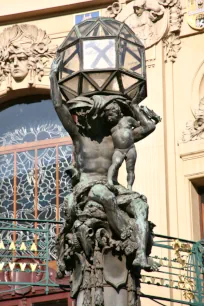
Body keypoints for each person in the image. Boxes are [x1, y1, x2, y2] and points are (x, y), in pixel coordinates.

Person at [50, 57, 158, 268]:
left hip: (112, 185)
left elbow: (147, 128)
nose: (87, 117)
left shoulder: (116, 137)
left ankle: (141, 255)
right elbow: (58, 105)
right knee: (106, 196)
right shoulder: (78, 135)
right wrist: (53, 77)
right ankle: (130, 240)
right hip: (88, 187)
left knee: (140, 204)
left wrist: (133, 106)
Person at [105, 103, 139, 190]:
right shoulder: (110, 125)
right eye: (108, 116)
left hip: (130, 148)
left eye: (111, 115)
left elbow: (138, 126)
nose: (109, 118)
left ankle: (129, 186)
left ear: (117, 112)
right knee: (115, 164)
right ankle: (109, 181)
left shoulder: (128, 119)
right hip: (118, 150)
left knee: (130, 169)